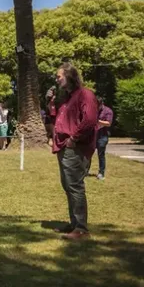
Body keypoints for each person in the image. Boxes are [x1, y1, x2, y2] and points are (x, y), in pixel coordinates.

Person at [47, 62, 97, 241]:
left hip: (75, 148)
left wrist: (74, 138)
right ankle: (74, 223)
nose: (56, 79)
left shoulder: (85, 94)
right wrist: (51, 104)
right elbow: (56, 119)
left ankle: (81, 229)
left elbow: (90, 120)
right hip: (64, 147)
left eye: (59, 76)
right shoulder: (67, 99)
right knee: (68, 186)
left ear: (70, 76)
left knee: (75, 186)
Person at [96, 97, 113, 181]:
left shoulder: (108, 111)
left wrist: (97, 121)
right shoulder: (93, 109)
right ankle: (85, 171)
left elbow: (108, 123)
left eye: (97, 106)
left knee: (101, 154)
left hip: (102, 136)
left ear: (101, 104)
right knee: (87, 154)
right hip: (92, 135)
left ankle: (101, 173)